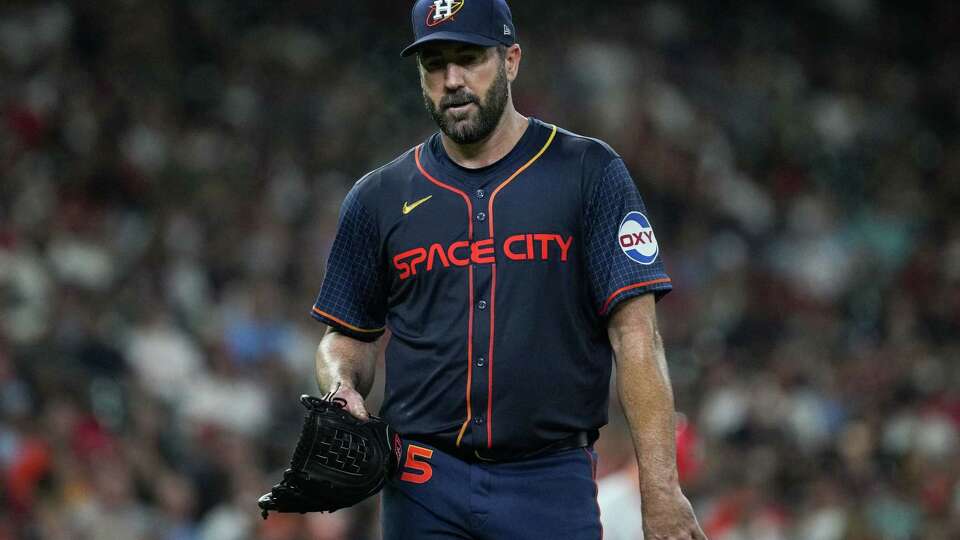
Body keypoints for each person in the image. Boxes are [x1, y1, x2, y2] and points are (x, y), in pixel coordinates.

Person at [309, 0, 706, 538]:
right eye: (434, 64)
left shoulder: (588, 173)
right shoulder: (378, 197)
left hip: (549, 480)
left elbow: (637, 336)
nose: (451, 79)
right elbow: (347, 337)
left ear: (512, 59)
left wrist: (660, 491)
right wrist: (341, 386)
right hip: (422, 483)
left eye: (469, 57)